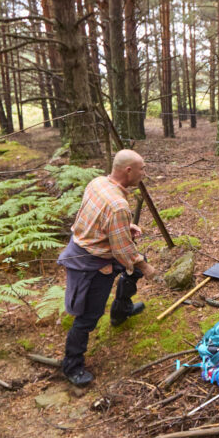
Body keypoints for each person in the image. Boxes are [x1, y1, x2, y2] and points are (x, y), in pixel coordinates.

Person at [57, 150, 156, 386]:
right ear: (128, 171)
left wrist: (123, 226)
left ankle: (121, 312)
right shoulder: (118, 205)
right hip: (89, 262)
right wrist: (147, 266)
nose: (144, 173)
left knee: (133, 272)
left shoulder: (98, 183)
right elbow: (124, 252)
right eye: (142, 169)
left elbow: (98, 217)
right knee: (88, 316)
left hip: (100, 250)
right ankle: (72, 366)